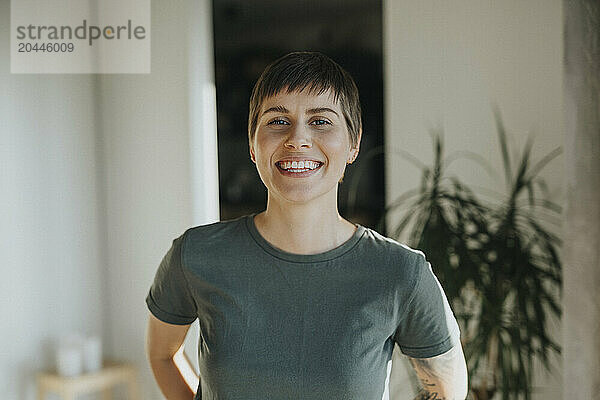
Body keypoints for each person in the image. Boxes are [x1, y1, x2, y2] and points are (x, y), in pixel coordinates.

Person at [145, 51, 468, 400]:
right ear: (253, 144)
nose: (297, 139)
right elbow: (163, 355)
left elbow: (448, 389)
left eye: (321, 121)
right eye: (278, 121)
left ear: (353, 143)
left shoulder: (401, 272)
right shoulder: (196, 255)